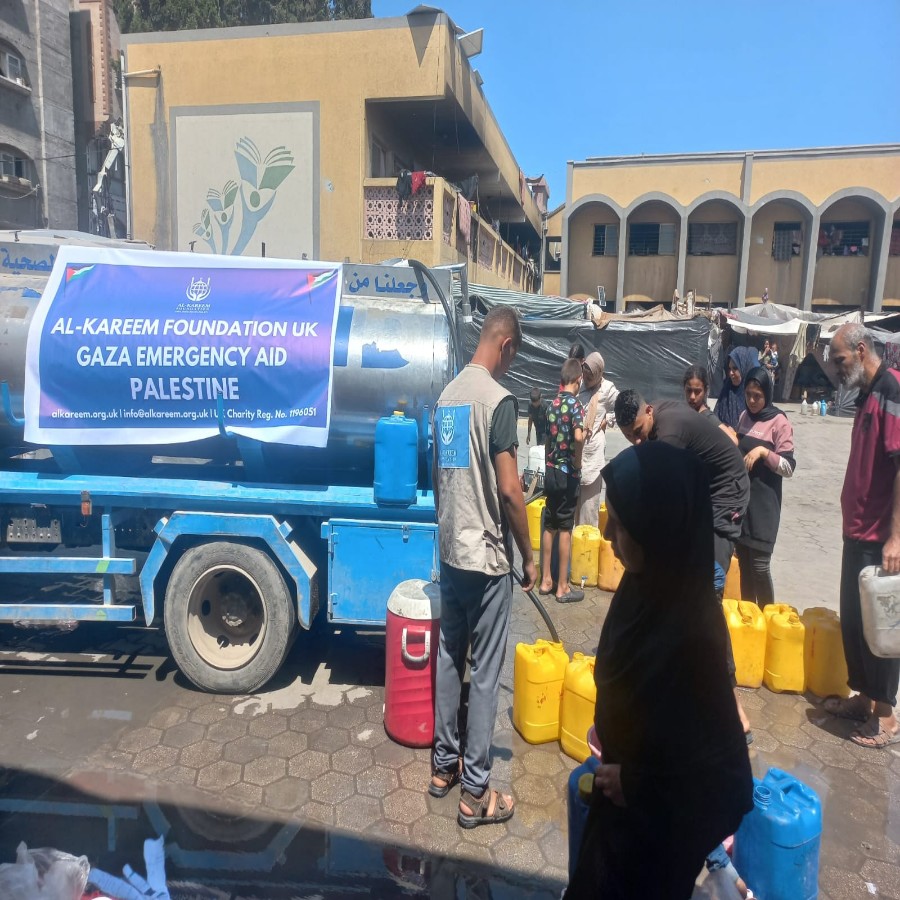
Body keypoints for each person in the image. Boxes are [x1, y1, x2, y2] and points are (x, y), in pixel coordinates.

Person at [565, 442, 753, 899]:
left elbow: (726, 785)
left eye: (621, 526)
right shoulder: (641, 589)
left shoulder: (695, 636)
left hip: (654, 852)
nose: (609, 538)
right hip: (617, 827)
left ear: (658, 529)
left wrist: (639, 784)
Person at [429, 306, 537, 825]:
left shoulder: (446, 397)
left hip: (451, 552)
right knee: (487, 672)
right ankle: (476, 792)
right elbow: (511, 489)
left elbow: (441, 480)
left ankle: (442, 766)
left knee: (451, 657)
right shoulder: (497, 401)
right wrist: (530, 555)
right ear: (508, 345)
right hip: (489, 560)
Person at [614, 389, 753, 738]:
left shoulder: (669, 434)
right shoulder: (655, 418)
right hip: (704, 492)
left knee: (707, 596)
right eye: (629, 436)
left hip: (725, 497)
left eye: (638, 432)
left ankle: (733, 705)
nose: (636, 440)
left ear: (648, 410)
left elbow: (660, 491)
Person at [823, 323, 900, 749]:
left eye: (840, 360)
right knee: (855, 622)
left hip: (880, 538)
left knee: (881, 629)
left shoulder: (892, 390)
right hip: (857, 532)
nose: (836, 369)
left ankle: (887, 718)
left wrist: (896, 538)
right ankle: (865, 699)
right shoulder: (866, 395)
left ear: (862, 349)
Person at [735, 367, 796, 607]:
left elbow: (789, 467)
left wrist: (763, 452)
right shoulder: (743, 417)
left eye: (757, 396)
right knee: (743, 564)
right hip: (743, 504)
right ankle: (750, 622)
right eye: (748, 394)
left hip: (765, 507)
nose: (751, 400)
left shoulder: (779, 421)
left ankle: (768, 617)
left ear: (767, 394)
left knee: (760, 566)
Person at [539, 358, 585, 603]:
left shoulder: (552, 405)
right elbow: (578, 437)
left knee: (550, 524)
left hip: (551, 471)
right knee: (566, 527)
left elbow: (547, 440)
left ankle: (545, 580)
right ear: (578, 380)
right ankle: (563, 586)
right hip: (568, 473)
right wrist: (577, 462)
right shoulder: (576, 406)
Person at [575, 352, 618, 527]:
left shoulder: (607, 389)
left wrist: (608, 419)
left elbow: (621, 404)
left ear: (599, 374)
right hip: (576, 451)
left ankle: (587, 548)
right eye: (584, 374)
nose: (586, 378)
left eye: (590, 376)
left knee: (589, 509)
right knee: (573, 508)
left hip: (593, 454)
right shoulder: (578, 384)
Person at [716, 346, 759, 431]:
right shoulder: (726, 390)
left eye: (735, 368)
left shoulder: (755, 395)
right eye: (729, 368)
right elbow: (716, 417)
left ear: (744, 367)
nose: (731, 373)